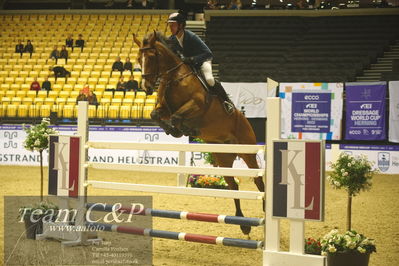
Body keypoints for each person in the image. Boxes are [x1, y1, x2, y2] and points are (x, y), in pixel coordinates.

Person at [167, 12, 234, 112]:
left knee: (210, 79)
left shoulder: (191, 37)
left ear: (181, 25)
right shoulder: (172, 40)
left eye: (173, 25)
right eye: (169, 25)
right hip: (188, 66)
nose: (170, 27)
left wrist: (191, 59)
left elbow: (208, 54)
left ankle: (227, 101)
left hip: (203, 62)